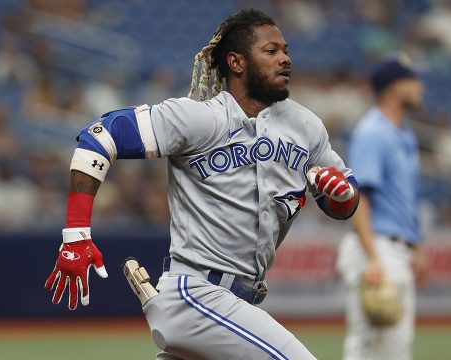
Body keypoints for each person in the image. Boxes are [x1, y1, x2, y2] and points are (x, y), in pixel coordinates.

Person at [44, 9, 360, 359]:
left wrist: (342, 195)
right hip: (197, 294)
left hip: (241, 302)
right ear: (237, 62)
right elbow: (99, 137)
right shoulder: (201, 118)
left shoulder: (306, 126)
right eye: (271, 51)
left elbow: (344, 202)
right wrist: (76, 233)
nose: (285, 58)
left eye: (285, 50)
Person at [336, 56, 429, 360]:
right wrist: (373, 258)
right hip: (375, 247)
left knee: (395, 348)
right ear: (393, 87)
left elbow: (402, 198)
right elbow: (359, 198)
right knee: (369, 346)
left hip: (395, 250)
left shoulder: (403, 134)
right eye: (413, 80)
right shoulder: (373, 132)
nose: (420, 86)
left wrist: (416, 246)